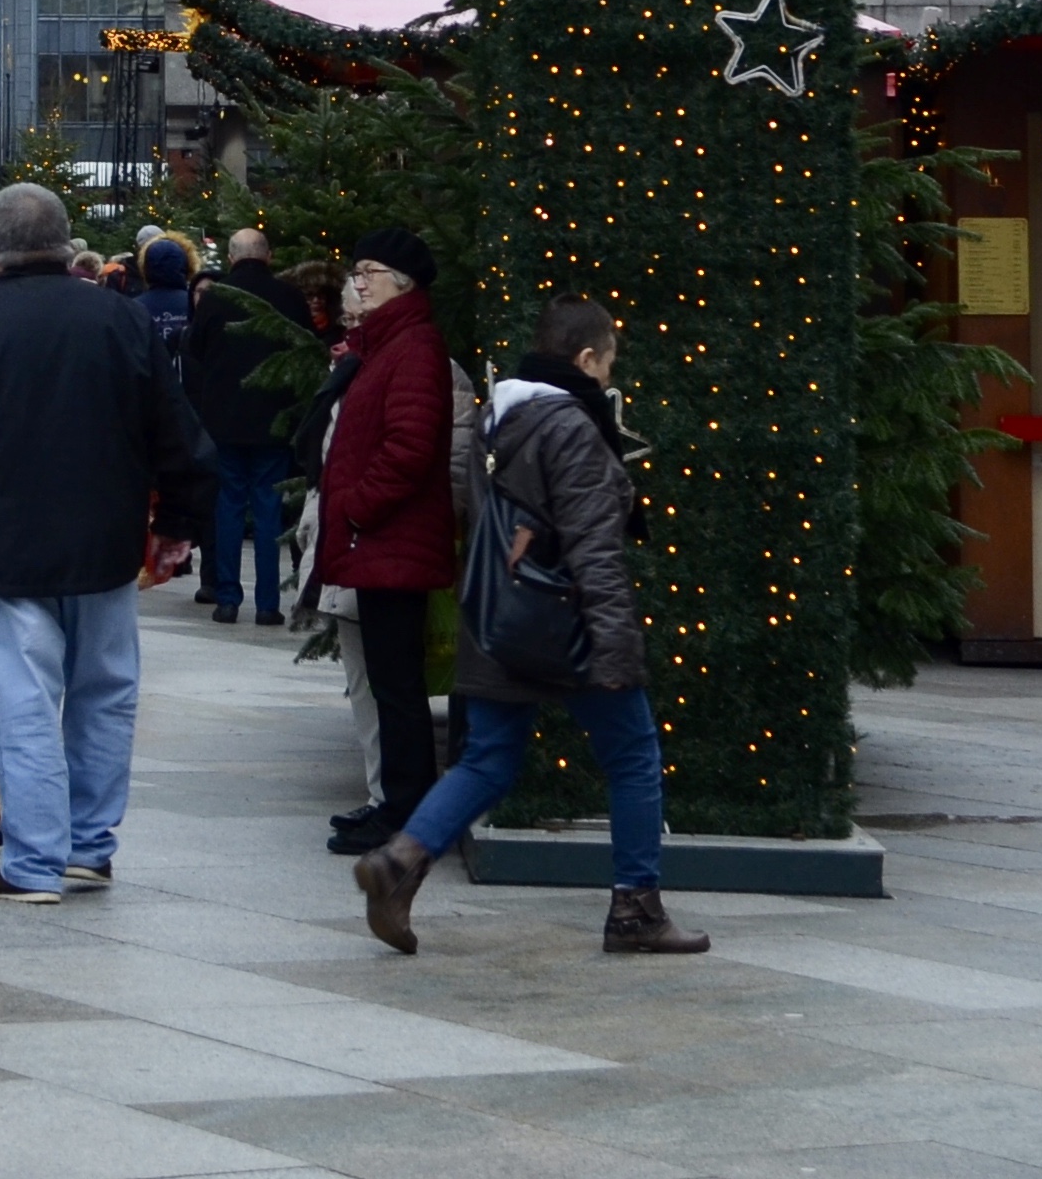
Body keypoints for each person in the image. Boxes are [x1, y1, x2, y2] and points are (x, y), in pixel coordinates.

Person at [0, 182, 210, 901]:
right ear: (62, 243)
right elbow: (173, 427)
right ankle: (88, 844)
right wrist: (178, 521)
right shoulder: (118, 319)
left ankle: (32, 860)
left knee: (22, 701)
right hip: (103, 539)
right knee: (105, 694)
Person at [357, 296, 708, 958]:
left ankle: (399, 860)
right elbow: (593, 547)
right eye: (608, 363)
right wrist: (615, 643)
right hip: (565, 623)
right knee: (634, 758)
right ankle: (635, 910)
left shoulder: (496, 414)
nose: (609, 377)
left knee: (486, 760)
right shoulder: (571, 426)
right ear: (586, 358)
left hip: (495, 616)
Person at [318, 228, 460, 858]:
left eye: (368, 271)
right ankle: (397, 804)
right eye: (356, 272)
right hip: (382, 541)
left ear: (402, 281)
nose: (358, 283)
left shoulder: (414, 346)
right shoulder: (387, 343)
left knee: (398, 685)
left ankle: (406, 813)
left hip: (391, 540)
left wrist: (357, 508)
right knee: (389, 680)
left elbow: (409, 447)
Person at [187, 227, 311, 629]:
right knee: (268, 508)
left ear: (231, 257)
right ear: (268, 256)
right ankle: (267, 603)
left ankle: (227, 598)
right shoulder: (289, 297)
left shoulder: (215, 298)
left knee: (228, 505)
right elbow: (305, 351)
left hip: (224, 420)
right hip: (273, 419)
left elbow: (195, 349)